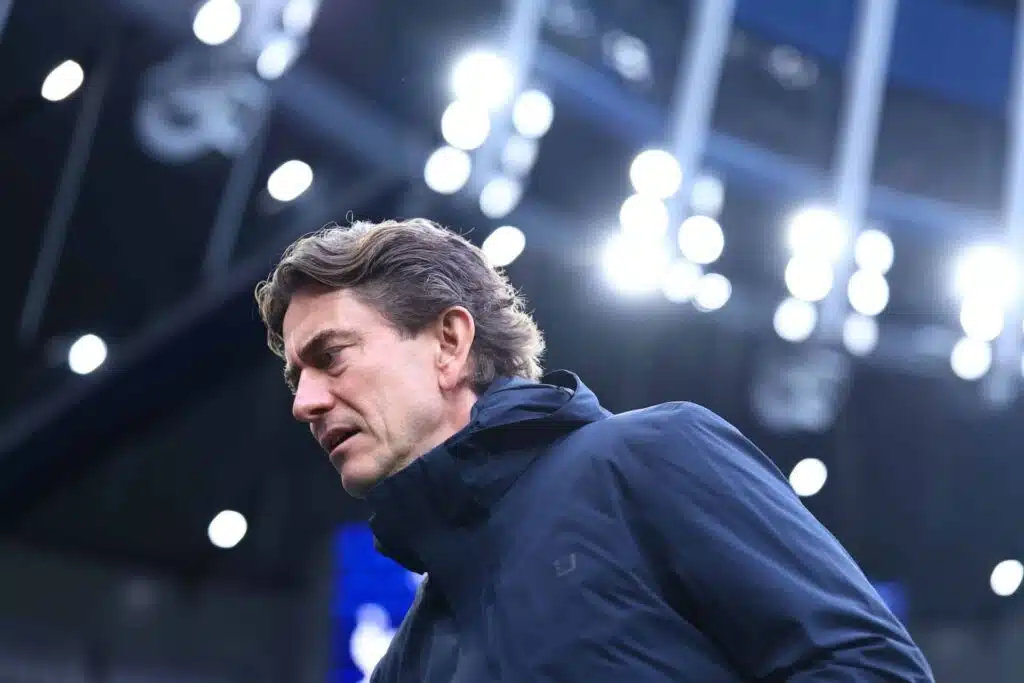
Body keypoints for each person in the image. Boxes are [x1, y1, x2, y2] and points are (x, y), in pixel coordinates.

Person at [254, 218, 934, 682]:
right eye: (295, 377)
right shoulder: (408, 661)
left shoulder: (649, 457)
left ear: (449, 342)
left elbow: (870, 668)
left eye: (330, 356)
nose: (304, 401)